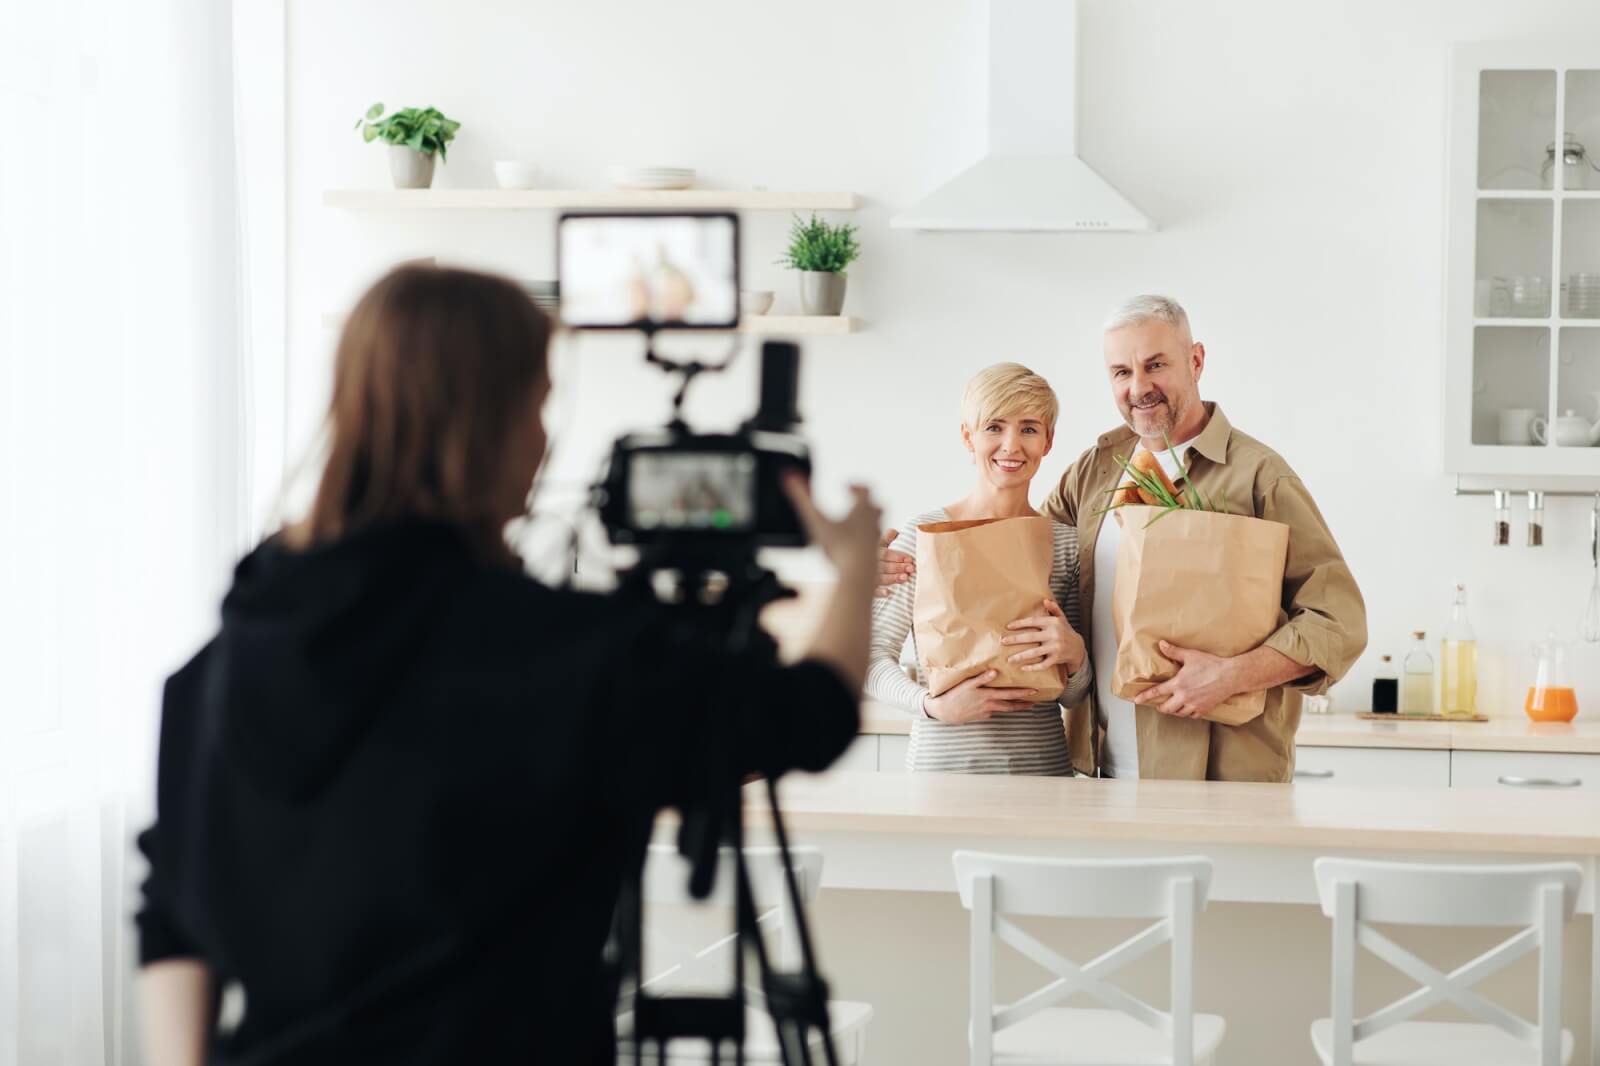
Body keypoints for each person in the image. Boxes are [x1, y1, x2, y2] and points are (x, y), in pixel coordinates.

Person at [134, 264, 882, 1066]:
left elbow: (171, 914)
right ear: (486, 425)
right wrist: (857, 563)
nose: (545, 437)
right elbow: (812, 715)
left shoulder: (216, 668)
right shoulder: (566, 654)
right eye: (538, 403)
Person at [881, 297, 1366, 781]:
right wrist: (891, 570)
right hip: (1098, 773)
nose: (1139, 387)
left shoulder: (1258, 476)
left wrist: (1233, 674)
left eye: (1155, 365)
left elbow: (1338, 620)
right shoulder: (1096, 471)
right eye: (1121, 372)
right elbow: (1004, 566)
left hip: (1221, 773)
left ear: (1195, 361)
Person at [868, 363, 1092, 775]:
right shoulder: (925, 536)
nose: (1011, 445)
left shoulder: (1065, 544)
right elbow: (870, 659)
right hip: (942, 773)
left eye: (1028, 428)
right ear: (967, 437)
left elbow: (1074, 696)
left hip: (1042, 774)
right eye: (994, 427)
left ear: (1048, 441)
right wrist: (931, 705)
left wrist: (1075, 655)